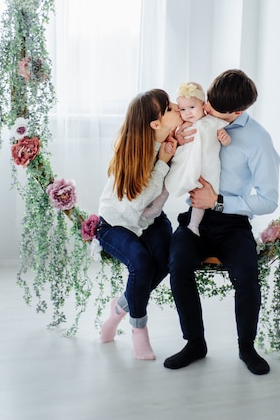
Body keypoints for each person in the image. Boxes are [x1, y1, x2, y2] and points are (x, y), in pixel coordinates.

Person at [164, 69, 280, 375]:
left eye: (213, 107)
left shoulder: (258, 141)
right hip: (195, 220)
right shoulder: (197, 119)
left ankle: (246, 347)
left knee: (247, 276)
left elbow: (268, 200)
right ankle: (195, 343)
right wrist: (174, 141)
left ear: (237, 112)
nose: (206, 108)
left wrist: (217, 201)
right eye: (208, 101)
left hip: (233, 223)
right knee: (177, 265)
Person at [96, 89, 182, 360]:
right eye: (169, 108)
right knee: (141, 263)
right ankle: (138, 329)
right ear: (155, 124)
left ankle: (120, 306)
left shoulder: (171, 139)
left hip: (150, 219)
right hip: (116, 223)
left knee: (168, 259)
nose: (178, 106)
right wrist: (164, 163)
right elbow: (136, 203)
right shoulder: (132, 152)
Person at [164, 81, 231, 236]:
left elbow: (226, 138)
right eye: (182, 109)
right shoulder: (182, 125)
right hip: (185, 163)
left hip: (206, 166)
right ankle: (156, 205)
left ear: (203, 104)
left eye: (192, 107)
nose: (187, 112)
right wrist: (176, 139)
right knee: (169, 181)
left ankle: (194, 224)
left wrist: (225, 139)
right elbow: (172, 139)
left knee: (201, 194)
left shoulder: (212, 122)